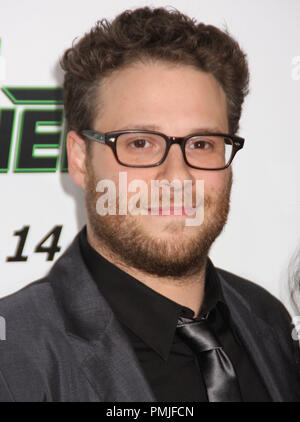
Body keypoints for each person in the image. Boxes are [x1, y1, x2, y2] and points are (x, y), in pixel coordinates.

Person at [0, 6, 299, 402]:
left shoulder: (270, 320)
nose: (177, 177)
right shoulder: (13, 358)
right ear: (79, 160)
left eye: (202, 143)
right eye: (140, 143)